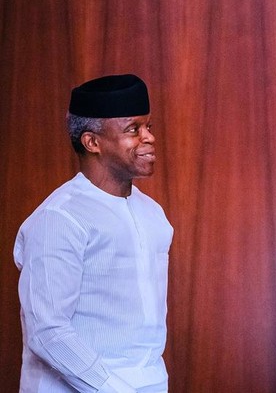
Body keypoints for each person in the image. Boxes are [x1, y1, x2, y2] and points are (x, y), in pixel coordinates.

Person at [14, 74, 173, 393]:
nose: (149, 138)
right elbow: (48, 333)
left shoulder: (152, 213)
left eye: (148, 127)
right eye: (133, 129)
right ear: (92, 142)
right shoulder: (59, 218)